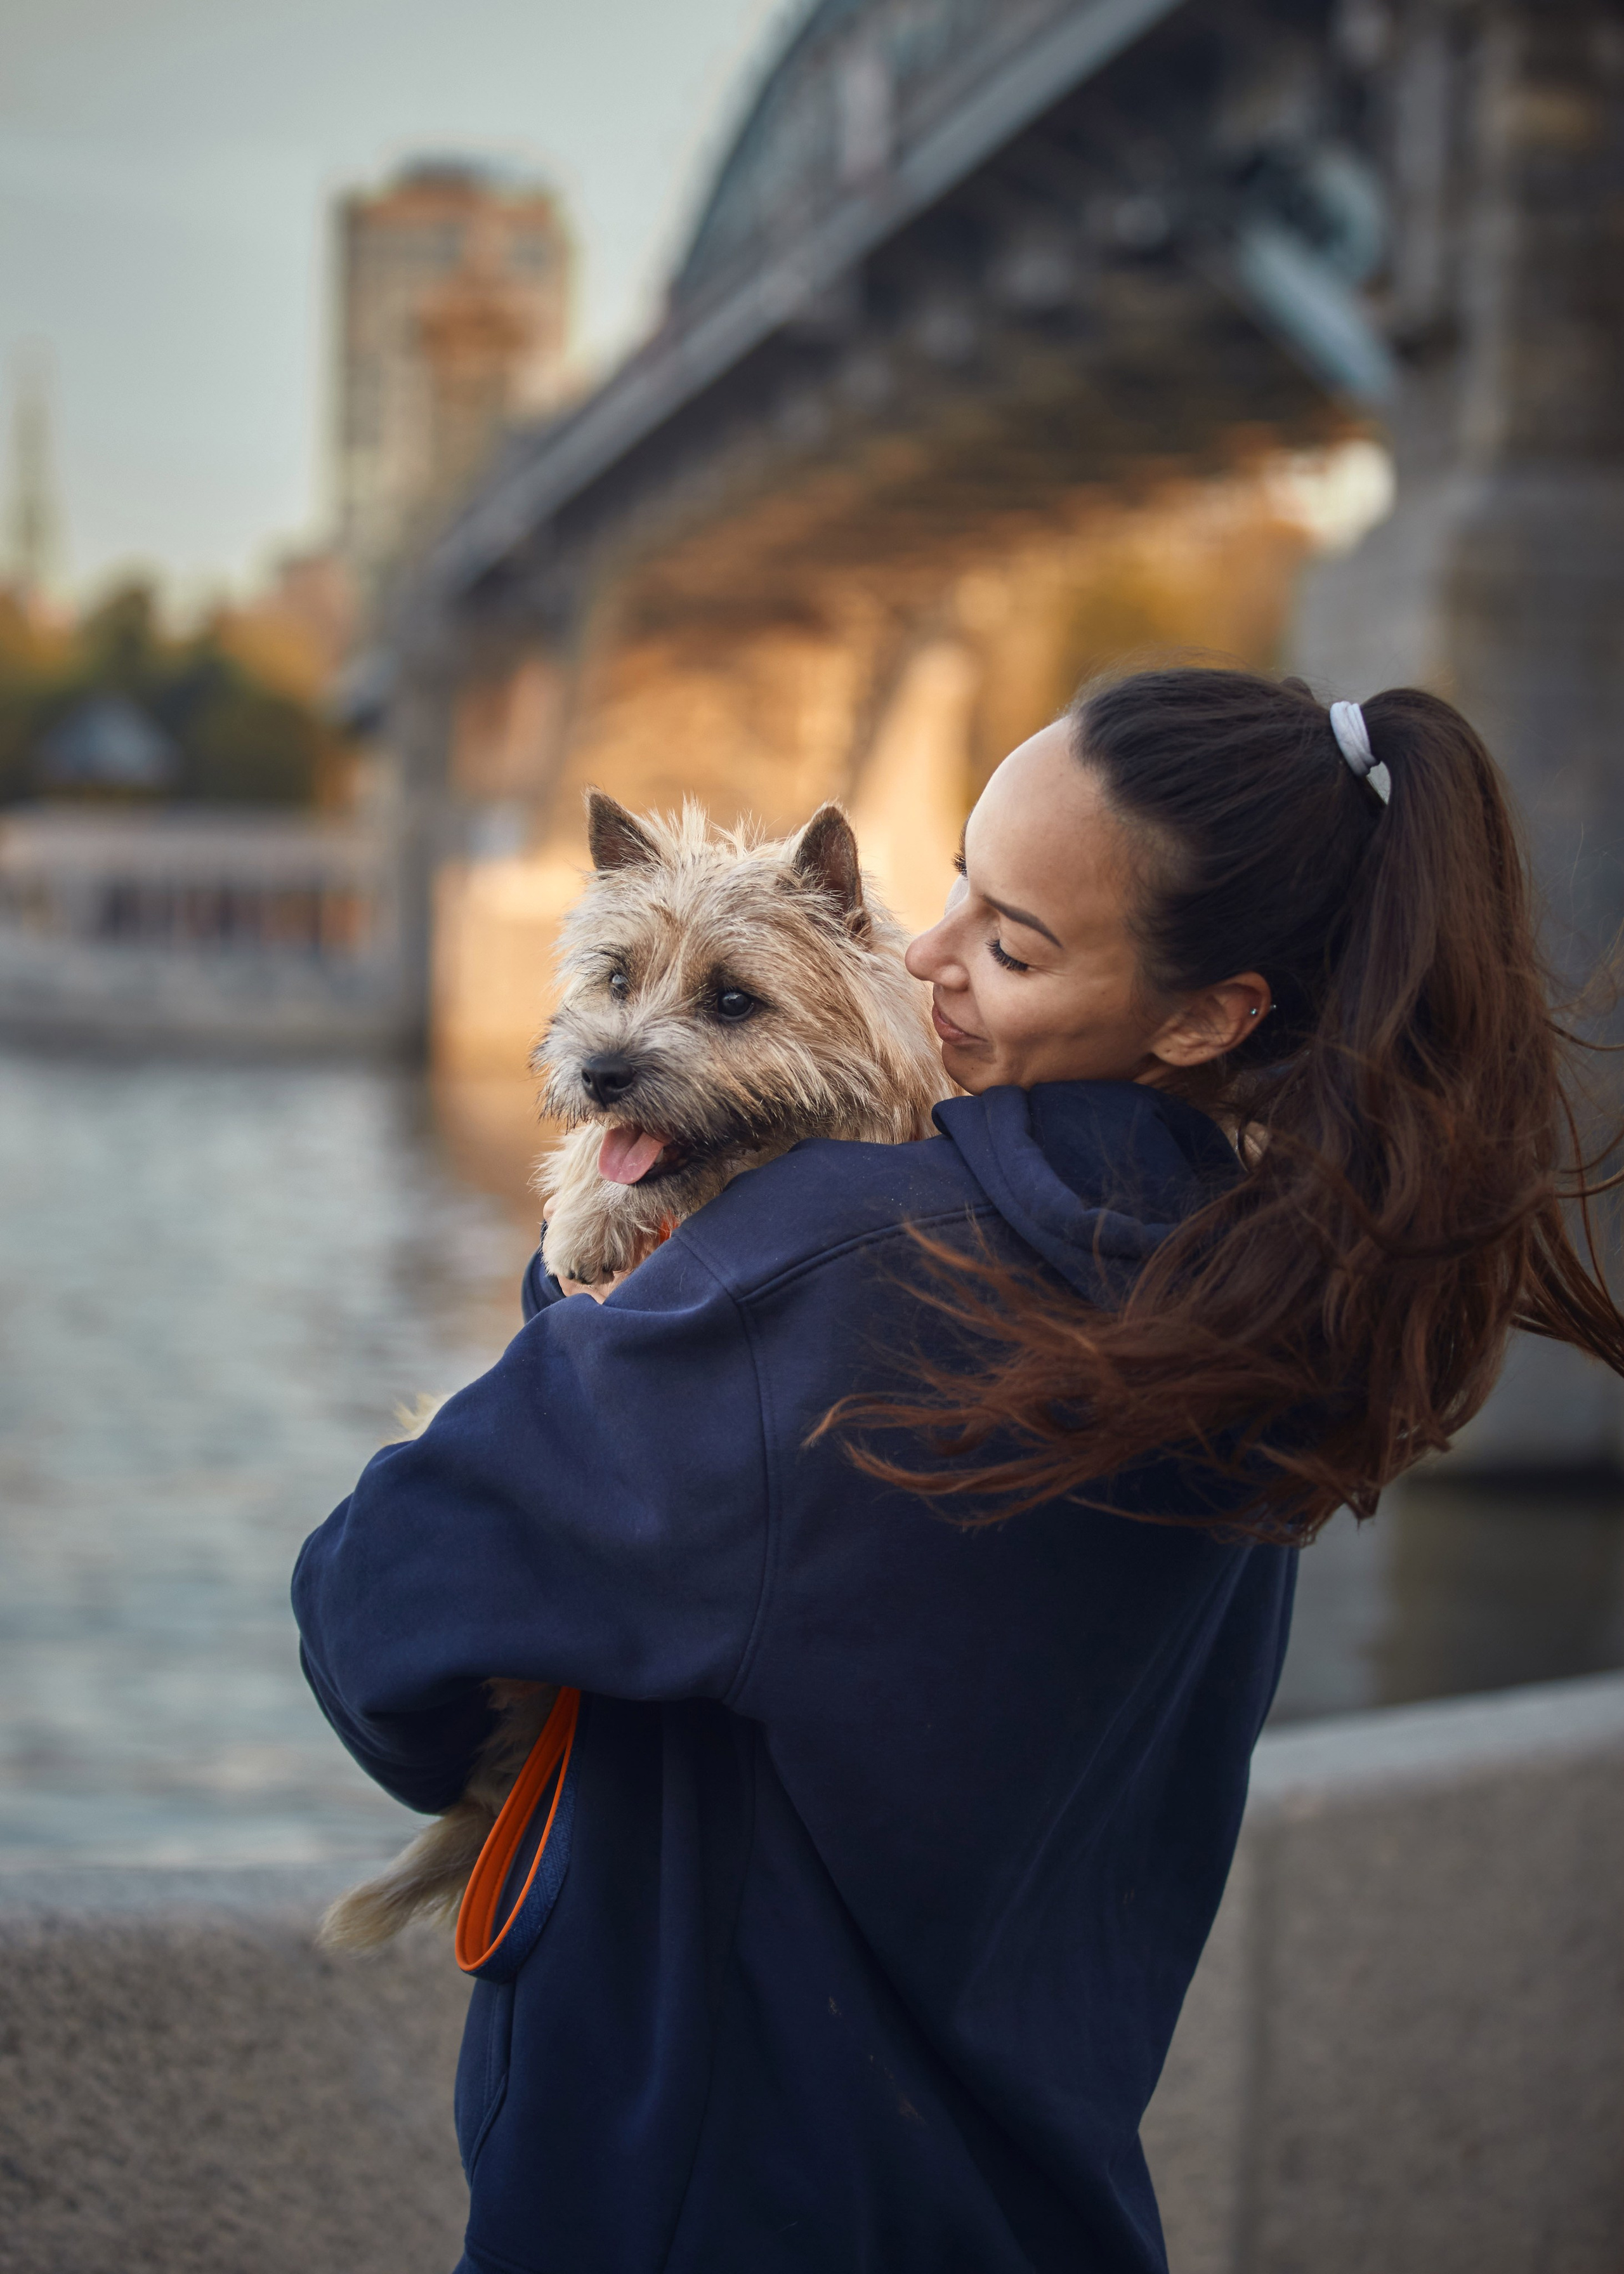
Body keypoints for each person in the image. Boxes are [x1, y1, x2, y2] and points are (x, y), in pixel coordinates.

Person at [293, 667, 1624, 2274]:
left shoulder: (831, 1264)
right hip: (1028, 2197)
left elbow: (378, 1599)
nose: (918, 960)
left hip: (698, 2201)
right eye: (953, 888)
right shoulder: (1263, 1307)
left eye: (1009, 942)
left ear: (1213, 1011)